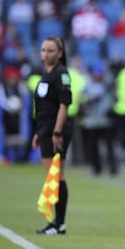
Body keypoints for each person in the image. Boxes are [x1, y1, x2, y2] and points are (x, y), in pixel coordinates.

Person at [32, 36, 73, 235]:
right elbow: (42, 107)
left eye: (50, 50)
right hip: (45, 129)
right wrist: (38, 132)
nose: (45, 54)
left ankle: (59, 223)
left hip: (57, 130)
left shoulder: (61, 74)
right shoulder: (44, 74)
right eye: (43, 50)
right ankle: (56, 222)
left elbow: (63, 106)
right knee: (52, 175)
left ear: (60, 53)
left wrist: (57, 132)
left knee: (56, 175)